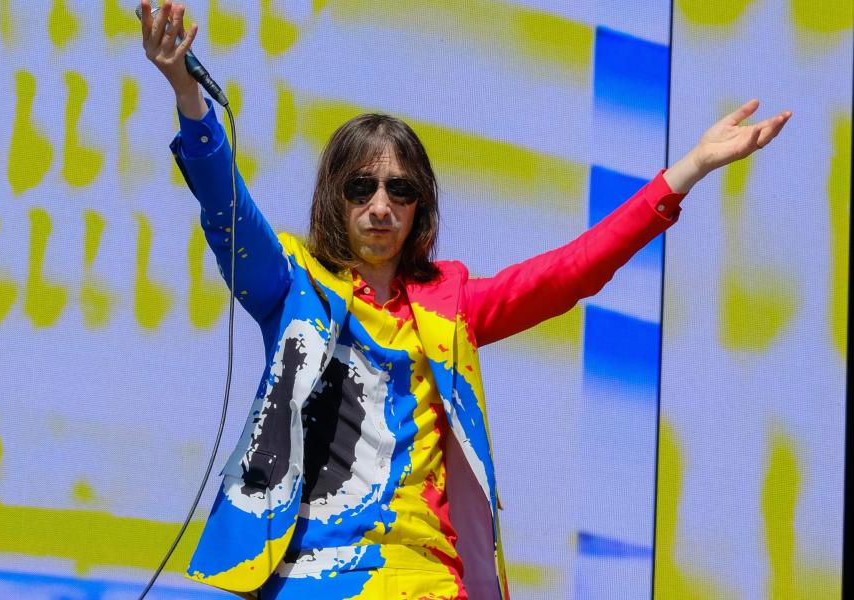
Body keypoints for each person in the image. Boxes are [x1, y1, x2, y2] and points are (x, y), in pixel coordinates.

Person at [140, 2, 791, 599]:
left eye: (399, 190)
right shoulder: (293, 283)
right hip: (311, 577)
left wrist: (689, 170)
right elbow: (225, 206)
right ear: (335, 197)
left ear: (420, 204)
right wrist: (189, 98)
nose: (379, 206)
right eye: (361, 186)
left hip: (427, 579)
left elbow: (571, 271)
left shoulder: (453, 305)